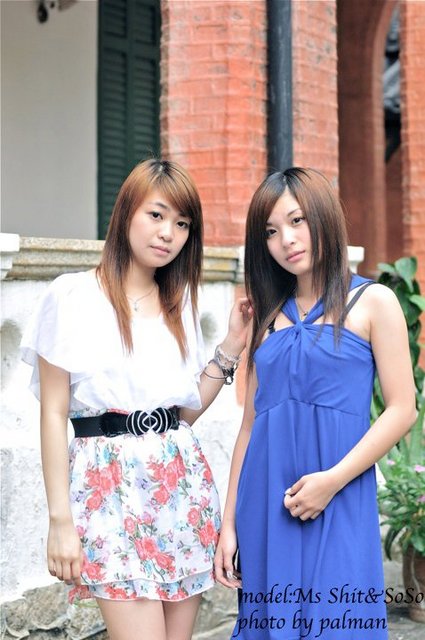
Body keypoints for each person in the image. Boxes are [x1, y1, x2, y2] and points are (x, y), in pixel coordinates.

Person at [21, 158, 252, 640]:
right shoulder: (71, 296)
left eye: (182, 224)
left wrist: (232, 345)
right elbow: (53, 413)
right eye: (157, 215)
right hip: (107, 492)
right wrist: (60, 520)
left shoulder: (179, 304)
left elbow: (182, 412)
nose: (168, 233)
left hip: (180, 489)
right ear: (127, 211)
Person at [214, 167, 416, 639]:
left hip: (339, 495)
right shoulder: (264, 317)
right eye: (270, 232)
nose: (286, 240)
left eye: (297, 220)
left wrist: (332, 481)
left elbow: (403, 408)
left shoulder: (374, 302)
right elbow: (250, 427)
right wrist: (229, 525)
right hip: (266, 505)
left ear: (323, 216)